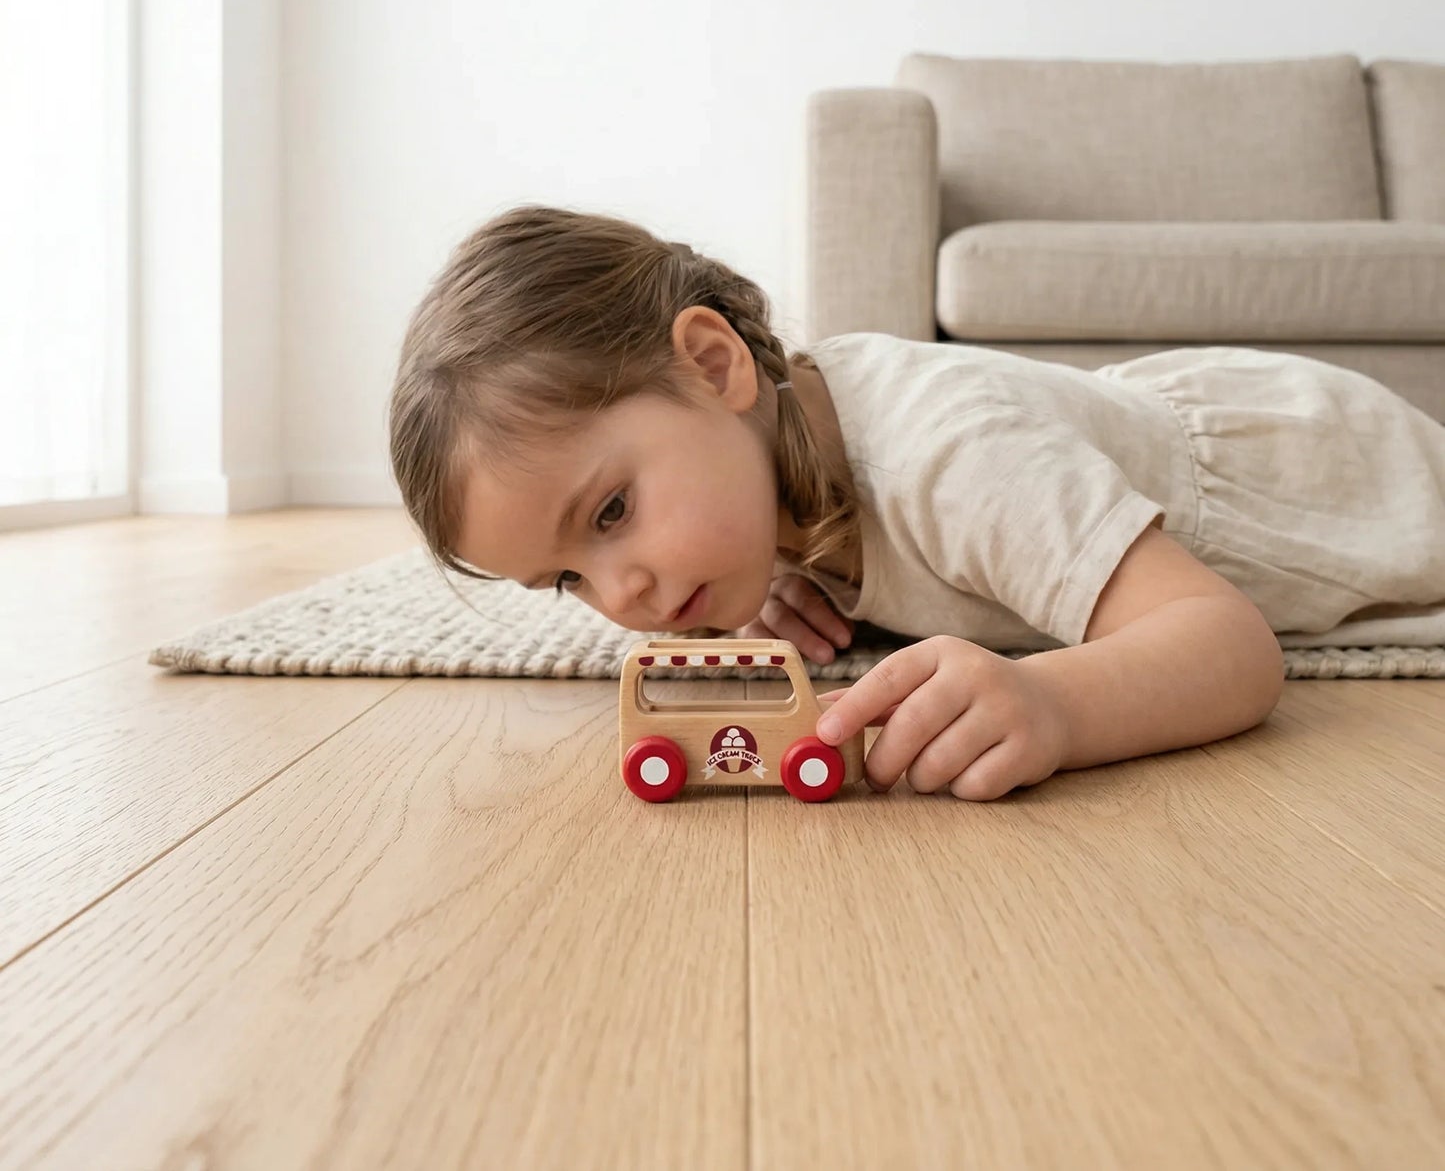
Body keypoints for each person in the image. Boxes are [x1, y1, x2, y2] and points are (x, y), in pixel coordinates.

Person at [388, 205, 1445, 800]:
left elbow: (1228, 644)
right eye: (566, 579)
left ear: (713, 365)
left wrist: (1053, 704)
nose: (620, 593)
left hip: (1338, 473)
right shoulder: (760, 466)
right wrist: (779, 575)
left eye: (612, 512)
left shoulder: (948, 459)